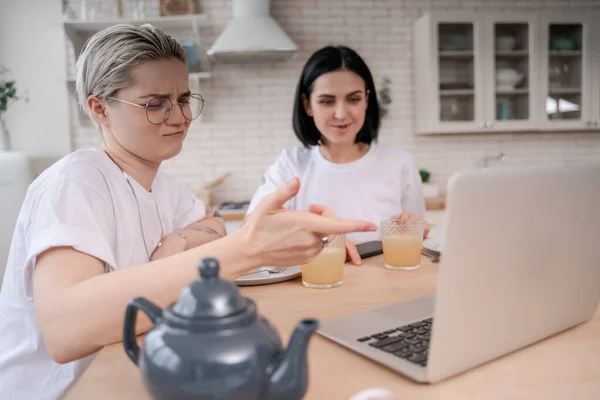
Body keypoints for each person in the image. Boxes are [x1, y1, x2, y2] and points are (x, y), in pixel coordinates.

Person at [0, 25, 376, 399]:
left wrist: (179, 239)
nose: (179, 117)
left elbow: (212, 224)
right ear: (100, 109)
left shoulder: (161, 184)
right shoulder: (77, 181)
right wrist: (248, 249)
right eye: (155, 104)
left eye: (183, 99)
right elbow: (65, 331)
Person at [247, 45, 428, 264]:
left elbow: (416, 233)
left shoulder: (400, 163)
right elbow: (253, 229)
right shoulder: (290, 164)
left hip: (385, 288)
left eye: (353, 99)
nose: (341, 114)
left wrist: (414, 229)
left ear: (367, 100)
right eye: (327, 101)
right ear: (307, 105)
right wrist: (321, 239)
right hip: (314, 290)